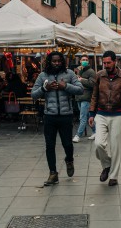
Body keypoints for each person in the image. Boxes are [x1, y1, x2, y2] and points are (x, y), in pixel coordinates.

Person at [31, 51, 83, 186]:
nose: (56, 63)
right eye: (54, 61)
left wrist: (65, 86)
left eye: (59, 61)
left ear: (62, 61)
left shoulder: (69, 74)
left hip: (66, 116)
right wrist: (45, 88)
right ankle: (53, 173)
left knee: (67, 144)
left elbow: (80, 89)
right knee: (50, 146)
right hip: (50, 116)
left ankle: (69, 160)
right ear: (49, 62)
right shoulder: (43, 76)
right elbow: (34, 95)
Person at [88, 51, 121, 186]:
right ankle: (107, 164)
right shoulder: (99, 76)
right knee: (98, 144)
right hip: (101, 114)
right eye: (104, 63)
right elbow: (94, 96)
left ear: (115, 62)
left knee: (116, 148)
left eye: (109, 62)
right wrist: (91, 113)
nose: (106, 65)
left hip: (118, 115)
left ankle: (113, 176)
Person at [73, 54, 97, 142]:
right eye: (83, 59)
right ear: (80, 61)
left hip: (86, 97)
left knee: (82, 117)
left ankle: (78, 135)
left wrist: (81, 80)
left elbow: (92, 84)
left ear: (88, 61)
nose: (84, 61)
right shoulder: (80, 71)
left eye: (86, 59)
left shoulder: (91, 71)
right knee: (86, 116)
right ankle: (95, 131)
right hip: (79, 96)